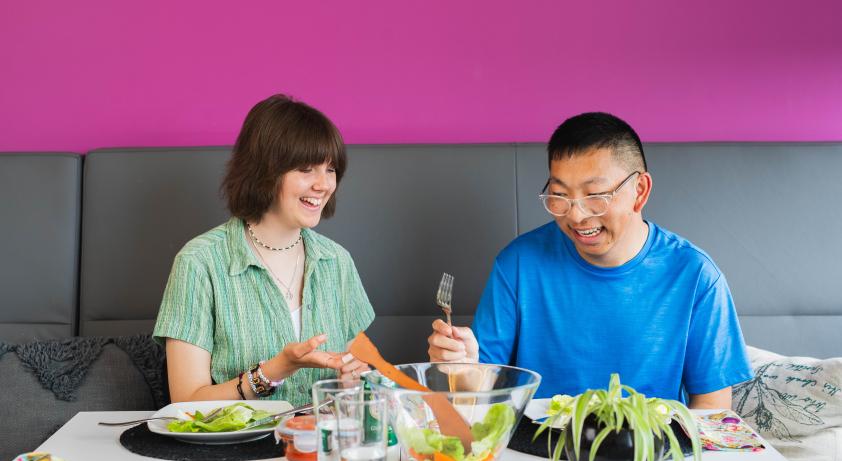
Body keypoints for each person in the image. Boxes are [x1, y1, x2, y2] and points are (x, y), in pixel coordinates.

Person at [427, 112, 752, 408]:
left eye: (595, 197)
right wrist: (464, 370)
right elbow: (484, 395)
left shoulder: (695, 276)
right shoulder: (518, 264)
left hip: (648, 458)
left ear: (640, 190)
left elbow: (711, 410)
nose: (577, 215)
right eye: (560, 195)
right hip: (540, 452)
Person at [154, 94, 373, 405]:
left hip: (321, 449)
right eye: (306, 169)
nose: (324, 185)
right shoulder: (199, 263)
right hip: (235, 450)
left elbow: (357, 382)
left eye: (331, 169)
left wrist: (351, 382)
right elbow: (186, 402)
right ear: (264, 171)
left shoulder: (338, 262)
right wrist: (272, 371)